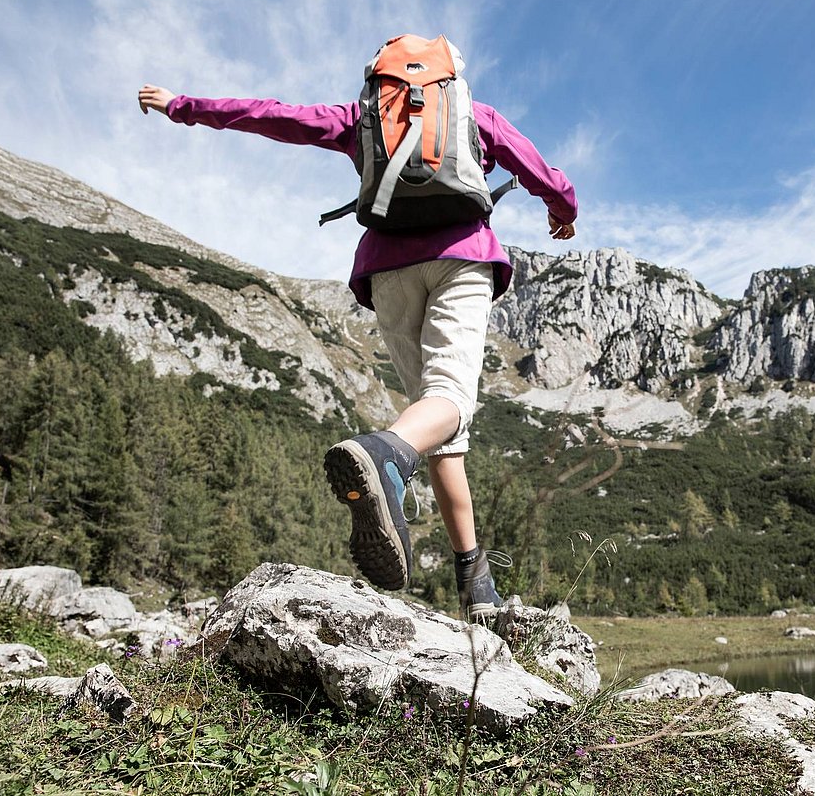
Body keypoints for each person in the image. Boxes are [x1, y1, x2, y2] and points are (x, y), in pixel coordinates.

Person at [138, 35, 576, 620]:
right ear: (447, 77)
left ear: (379, 78)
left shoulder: (358, 118)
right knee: (448, 401)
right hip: (462, 256)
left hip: (388, 272)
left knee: (437, 422)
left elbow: (273, 117)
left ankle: (476, 583)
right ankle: (386, 455)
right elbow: (539, 168)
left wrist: (183, 105)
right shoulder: (474, 115)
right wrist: (562, 208)